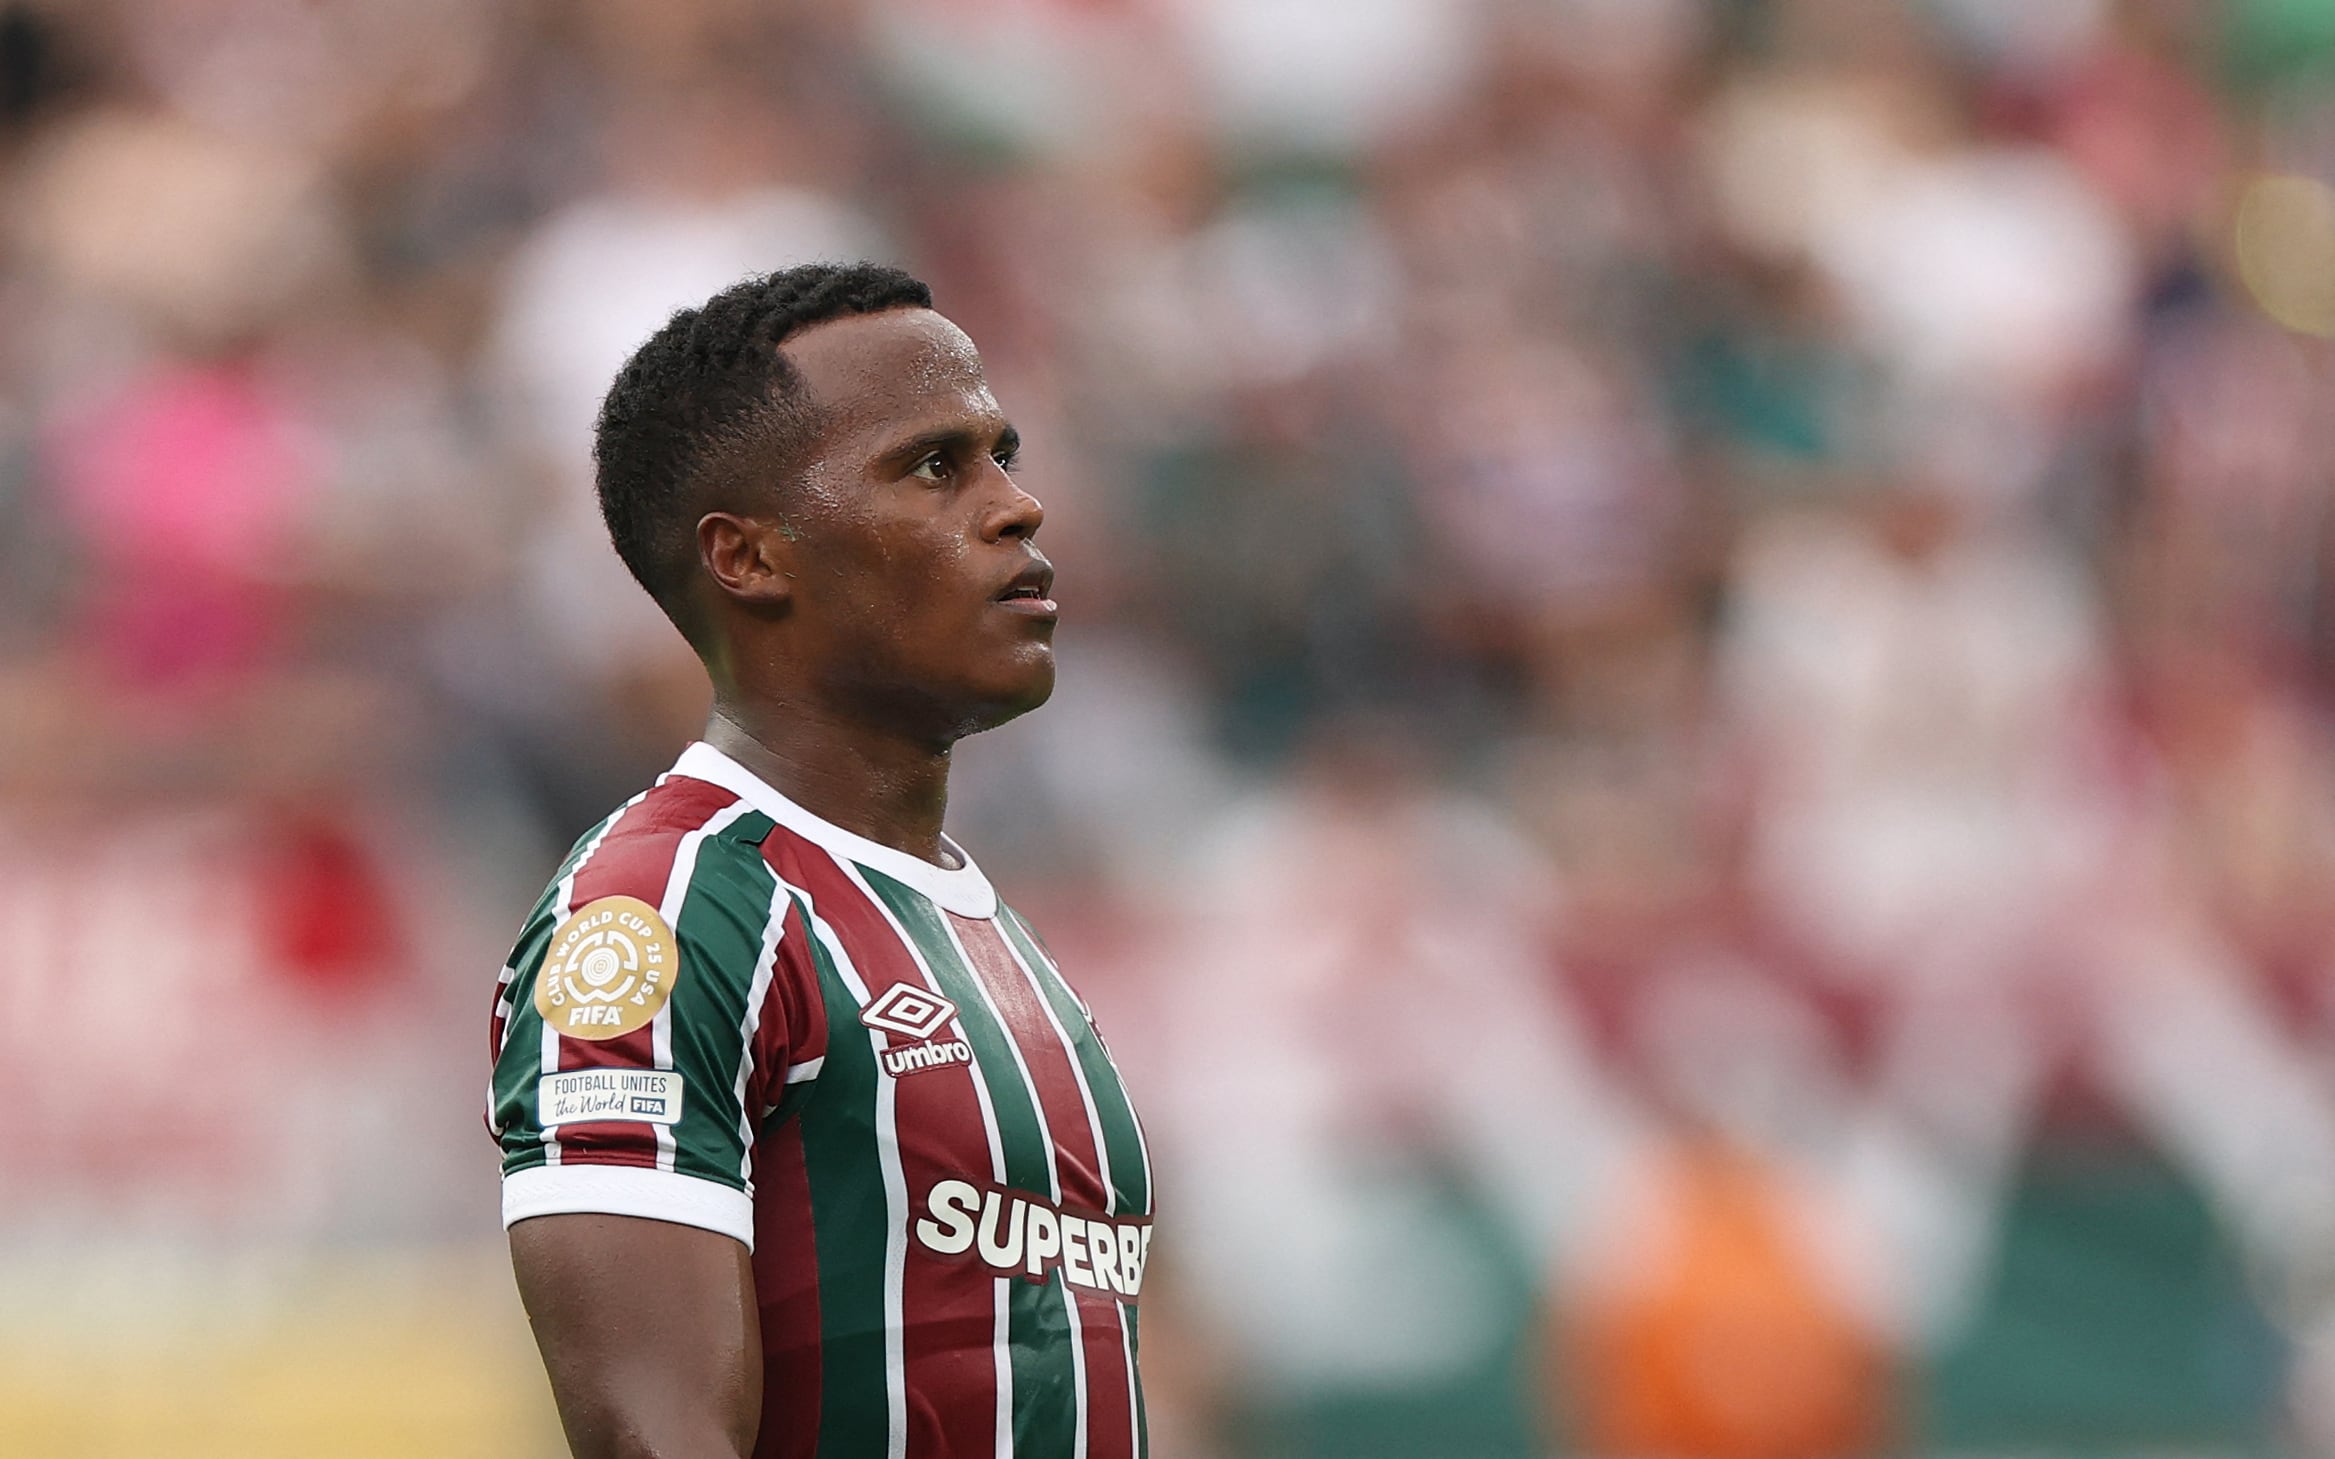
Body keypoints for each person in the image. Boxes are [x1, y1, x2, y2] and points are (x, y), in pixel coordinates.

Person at [486, 262, 1154, 1459]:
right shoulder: (669, 906)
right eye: (935, 467)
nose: (1016, 506)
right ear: (747, 559)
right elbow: (655, 1434)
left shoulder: (981, 922)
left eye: (1004, 454)